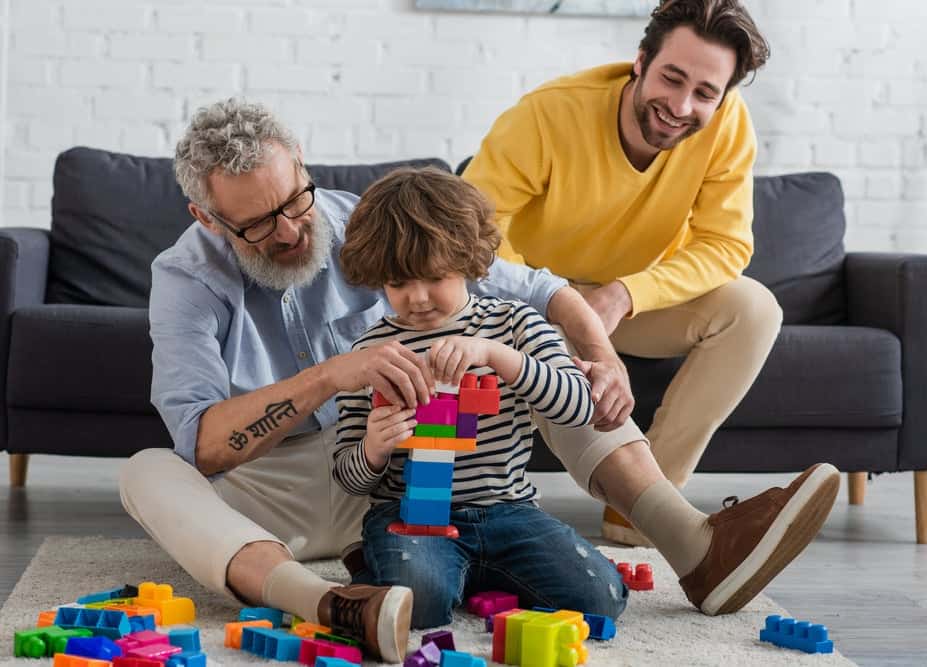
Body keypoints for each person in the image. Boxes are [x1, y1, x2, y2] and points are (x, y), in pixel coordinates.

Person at [122, 90, 834, 667]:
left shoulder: (374, 225)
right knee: (149, 471)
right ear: (208, 219)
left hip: (428, 476)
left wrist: (604, 355)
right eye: (256, 225)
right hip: (303, 479)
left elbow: (539, 289)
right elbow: (206, 444)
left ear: (303, 165)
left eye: (294, 201)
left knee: (533, 349)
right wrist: (332, 376)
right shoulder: (184, 279)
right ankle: (334, 604)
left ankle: (693, 543)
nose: (287, 232)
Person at [461, 0, 812, 552]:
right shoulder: (547, 115)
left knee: (754, 309)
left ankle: (641, 515)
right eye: (671, 78)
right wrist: (553, 300)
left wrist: (625, 294)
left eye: (704, 93)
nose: (681, 105)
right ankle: (669, 521)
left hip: (627, 300)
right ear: (641, 61)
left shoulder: (727, 124)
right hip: (532, 299)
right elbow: (469, 233)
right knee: (543, 337)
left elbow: (724, 245)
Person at [332, 167, 628, 629]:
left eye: (434, 277)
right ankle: (389, 566)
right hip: (410, 515)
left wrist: (497, 356)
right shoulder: (370, 354)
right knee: (420, 607)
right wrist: (373, 448)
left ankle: (471, 573)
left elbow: (578, 407)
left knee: (601, 597)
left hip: (507, 510)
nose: (418, 298)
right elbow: (349, 479)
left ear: (469, 259)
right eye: (398, 284)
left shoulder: (515, 325)